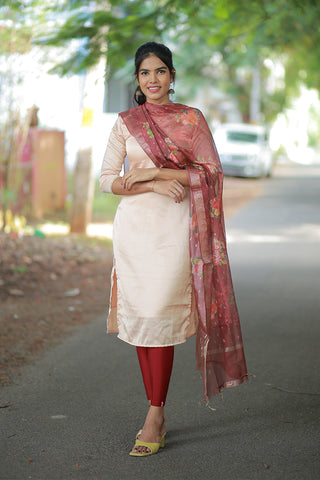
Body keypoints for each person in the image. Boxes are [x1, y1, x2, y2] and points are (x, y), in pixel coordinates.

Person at [100, 41, 248, 457]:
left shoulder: (191, 120)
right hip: (133, 232)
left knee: (160, 317)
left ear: (172, 76)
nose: (153, 80)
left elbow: (211, 174)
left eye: (160, 72)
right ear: (138, 79)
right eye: (145, 73)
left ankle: (154, 412)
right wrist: (151, 182)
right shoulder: (126, 123)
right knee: (144, 321)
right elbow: (107, 179)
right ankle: (156, 410)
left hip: (174, 232)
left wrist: (161, 171)